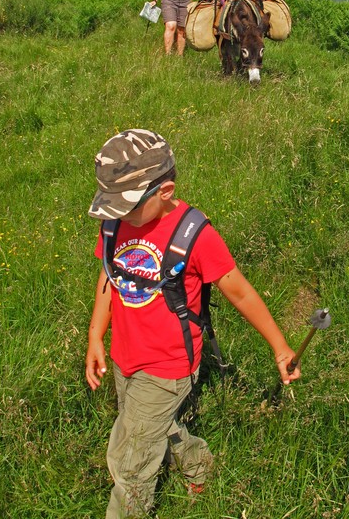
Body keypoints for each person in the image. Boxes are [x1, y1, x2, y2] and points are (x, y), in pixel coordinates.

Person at [85, 129, 300, 518]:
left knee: (130, 458)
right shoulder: (115, 222)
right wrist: (95, 334)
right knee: (148, 426)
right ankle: (197, 461)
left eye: (127, 207)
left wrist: (281, 347)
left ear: (164, 191)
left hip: (169, 364)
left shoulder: (195, 235)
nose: (117, 214)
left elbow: (241, 293)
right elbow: (107, 276)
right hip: (124, 356)